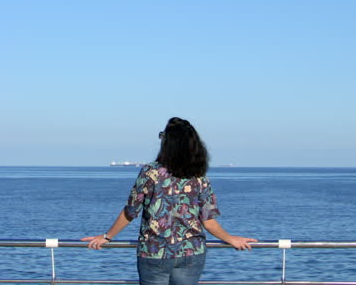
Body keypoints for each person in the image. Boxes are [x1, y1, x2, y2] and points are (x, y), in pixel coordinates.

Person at [82, 117, 256, 285]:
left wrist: (107, 236)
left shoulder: (150, 172)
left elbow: (131, 211)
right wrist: (231, 239)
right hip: (191, 252)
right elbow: (208, 221)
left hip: (154, 252)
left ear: (167, 143)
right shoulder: (199, 176)